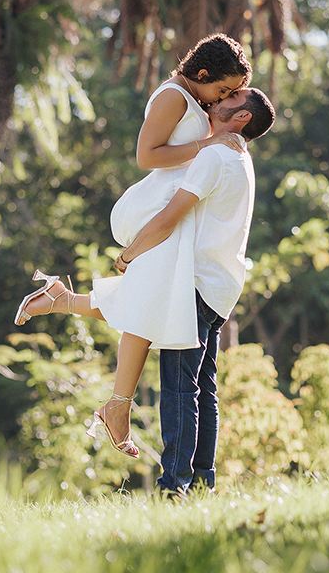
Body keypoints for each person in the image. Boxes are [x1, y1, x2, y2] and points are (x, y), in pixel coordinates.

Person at [17, 86, 274, 492]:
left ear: (241, 117)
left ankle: (175, 487)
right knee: (202, 390)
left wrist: (127, 256)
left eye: (229, 98)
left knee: (178, 391)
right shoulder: (242, 160)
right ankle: (202, 483)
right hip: (221, 287)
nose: (218, 100)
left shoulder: (215, 156)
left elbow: (169, 218)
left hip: (195, 283)